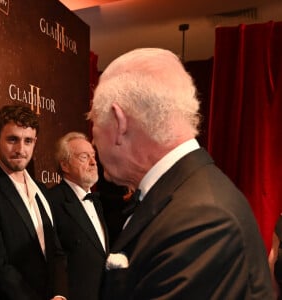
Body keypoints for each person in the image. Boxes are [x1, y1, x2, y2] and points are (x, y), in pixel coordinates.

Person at [87, 48, 274, 299]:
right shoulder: (186, 196)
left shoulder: (202, 218)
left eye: (94, 119)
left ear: (120, 123)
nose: (93, 137)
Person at [0, 104, 68, 300]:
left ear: (35, 142)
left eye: (28, 141)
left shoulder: (42, 190)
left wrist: (60, 295)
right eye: (13, 139)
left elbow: (56, 251)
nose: (21, 149)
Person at [48, 132, 109, 300]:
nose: (93, 162)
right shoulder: (53, 201)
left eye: (93, 156)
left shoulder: (96, 201)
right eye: (84, 157)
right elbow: (54, 258)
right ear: (65, 165)